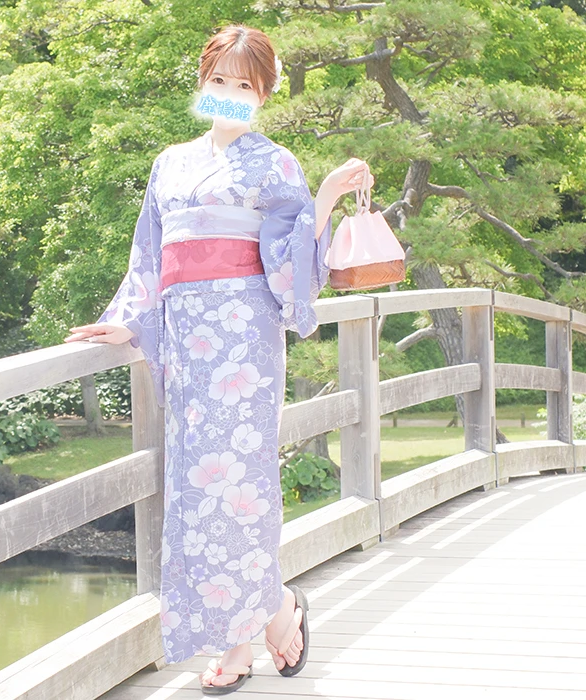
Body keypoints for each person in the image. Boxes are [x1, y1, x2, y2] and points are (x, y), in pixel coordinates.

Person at [65, 23, 373, 695]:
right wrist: (126, 320)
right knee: (199, 495)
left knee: (241, 487)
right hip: (185, 339)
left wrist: (322, 199)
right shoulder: (171, 162)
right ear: (201, 84)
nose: (231, 94)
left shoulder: (277, 163)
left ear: (262, 95)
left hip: (243, 339)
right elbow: (151, 249)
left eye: (246, 85)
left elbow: (293, 259)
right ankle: (275, 609)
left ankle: (238, 642)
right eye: (219, 81)